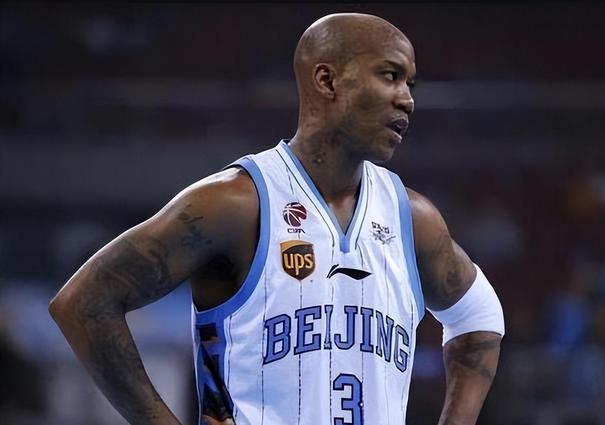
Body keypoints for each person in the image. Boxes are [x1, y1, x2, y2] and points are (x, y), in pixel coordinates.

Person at [49, 13, 504, 425]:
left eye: (410, 84)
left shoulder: (413, 218)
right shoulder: (234, 204)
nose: (407, 100)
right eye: (390, 76)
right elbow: (84, 302)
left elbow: (479, 314)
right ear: (327, 80)